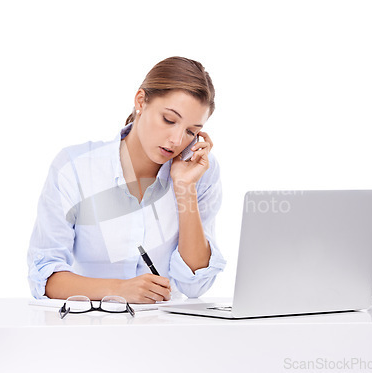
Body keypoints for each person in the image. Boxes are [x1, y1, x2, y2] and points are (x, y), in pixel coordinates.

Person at [27, 56, 226, 303]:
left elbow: (194, 284)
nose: (176, 140)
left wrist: (185, 187)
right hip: (88, 329)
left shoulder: (199, 170)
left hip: (167, 331)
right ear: (141, 101)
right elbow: (45, 276)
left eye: (190, 131)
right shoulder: (74, 167)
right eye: (169, 120)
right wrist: (119, 290)